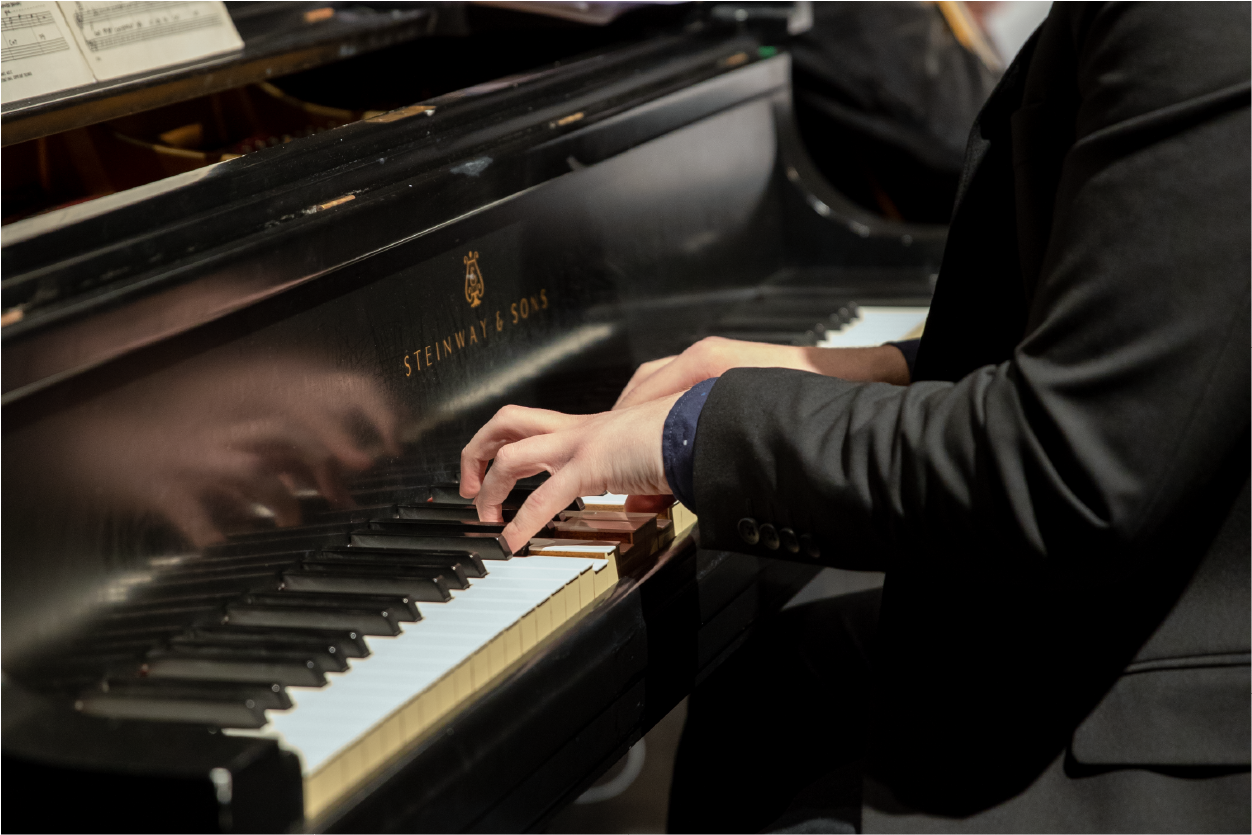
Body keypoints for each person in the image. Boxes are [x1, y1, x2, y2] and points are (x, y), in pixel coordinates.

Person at [460, 3, 1250, 831]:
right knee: (764, 691)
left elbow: (1071, 469)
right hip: (1156, 579)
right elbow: (1163, 343)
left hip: (1186, 694)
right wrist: (865, 367)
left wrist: (693, 432)